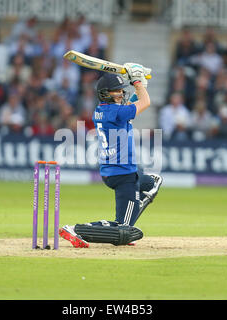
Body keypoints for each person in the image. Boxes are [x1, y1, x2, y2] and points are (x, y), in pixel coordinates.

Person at [59, 64, 163, 248]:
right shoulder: (115, 112)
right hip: (123, 174)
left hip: (114, 171)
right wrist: (138, 82)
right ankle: (76, 229)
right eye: (117, 91)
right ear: (105, 93)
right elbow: (145, 103)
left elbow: (132, 104)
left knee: (152, 182)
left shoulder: (104, 110)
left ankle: (125, 228)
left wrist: (141, 86)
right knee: (122, 227)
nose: (121, 94)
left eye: (121, 91)